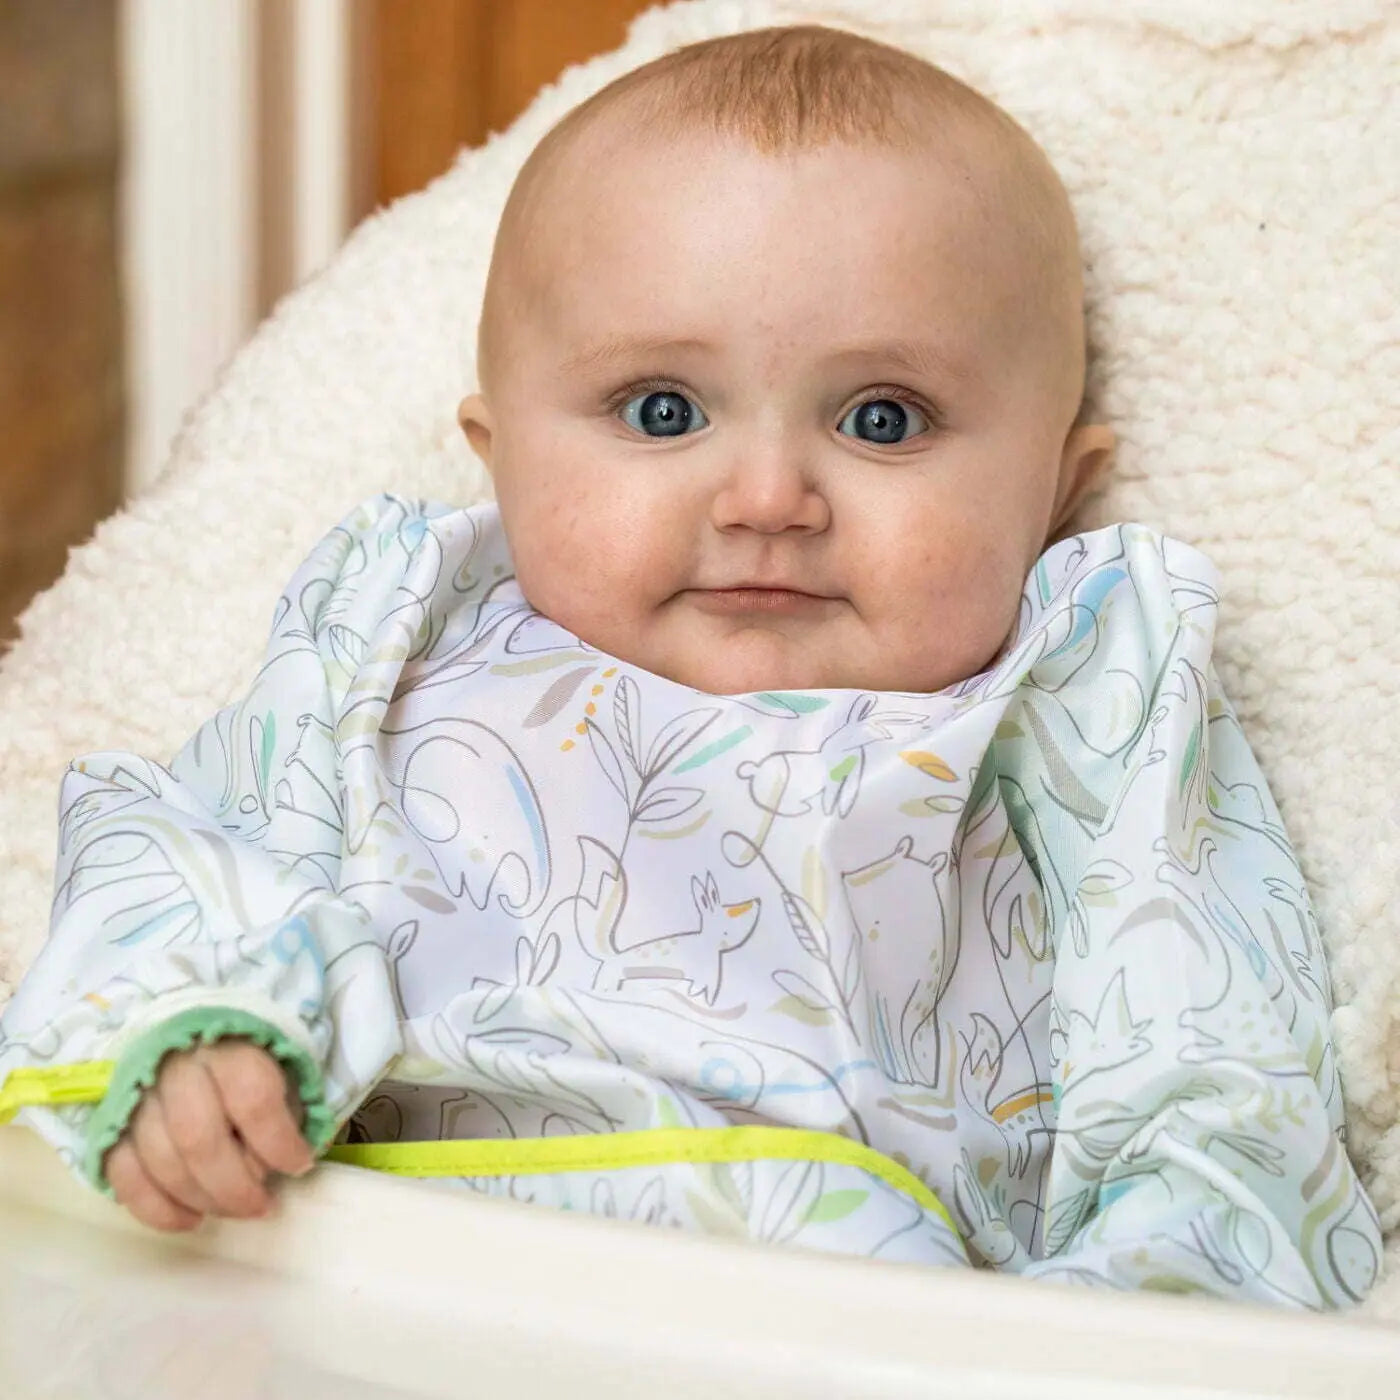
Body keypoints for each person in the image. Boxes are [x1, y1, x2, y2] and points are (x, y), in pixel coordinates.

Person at [0, 25, 1380, 1305]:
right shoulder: (398, 625)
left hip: (859, 1316)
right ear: (500, 457)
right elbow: (188, 839)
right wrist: (192, 1033)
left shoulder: (1086, 695)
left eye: (883, 419)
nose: (767, 496)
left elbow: (1214, 1056)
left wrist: (1141, 1322)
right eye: (662, 410)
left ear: (1057, 490)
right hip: (376, 1269)